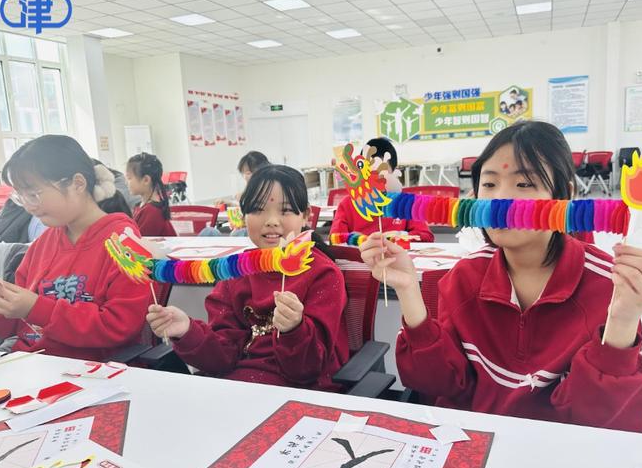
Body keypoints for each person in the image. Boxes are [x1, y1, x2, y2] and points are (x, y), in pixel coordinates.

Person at [359, 121, 642, 433]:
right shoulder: (464, 276)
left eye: (524, 183)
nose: (500, 198)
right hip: (474, 446)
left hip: (559, 452)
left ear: (565, 195)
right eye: (489, 184)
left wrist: (622, 321)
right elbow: (438, 384)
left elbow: (603, 423)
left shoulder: (615, 288)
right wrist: (408, 290)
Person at [146, 165, 349, 391]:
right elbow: (222, 358)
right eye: (258, 210)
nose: (271, 221)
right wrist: (187, 330)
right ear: (243, 217)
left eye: (285, 210)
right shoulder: (238, 271)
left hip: (301, 393)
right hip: (238, 389)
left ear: (306, 216)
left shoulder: (323, 274)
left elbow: (308, 370)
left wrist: (294, 329)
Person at [0, 135, 151, 360]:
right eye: (21, 197)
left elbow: (119, 326)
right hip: (32, 362)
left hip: (91, 370)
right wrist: (2, 305)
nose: (29, 207)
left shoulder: (125, 244)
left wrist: (36, 308)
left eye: (33, 195)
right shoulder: (42, 245)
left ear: (78, 183)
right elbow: (16, 322)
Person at [330, 137, 434, 242]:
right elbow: (335, 239)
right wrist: (362, 240)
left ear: (393, 172)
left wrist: (398, 237)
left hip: (396, 251)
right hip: (361, 252)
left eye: (382, 173)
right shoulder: (347, 204)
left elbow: (426, 235)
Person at [126, 153, 176, 237]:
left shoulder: (152, 212)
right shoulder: (142, 206)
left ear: (146, 180)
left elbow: (139, 242)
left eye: (129, 178)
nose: (126, 182)